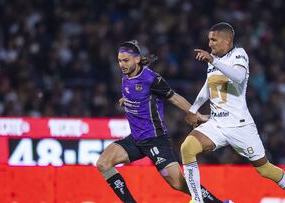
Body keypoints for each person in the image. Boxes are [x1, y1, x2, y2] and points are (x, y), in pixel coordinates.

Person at [180, 22, 285, 203]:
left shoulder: (239, 55)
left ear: (227, 41)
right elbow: (209, 85)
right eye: (209, 40)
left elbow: (239, 77)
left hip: (239, 125)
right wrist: (193, 109)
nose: (210, 44)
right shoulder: (214, 60)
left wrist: (213, 60)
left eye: (214, 40)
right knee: (187, 148)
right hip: (217, 123)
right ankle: (197, 200)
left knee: (264, 169)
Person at [96, 40, 231, 203]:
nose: (122, 65)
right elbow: (138, 94)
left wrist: (197, 113)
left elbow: (174, 97)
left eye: (126, 60)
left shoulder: (152, 79)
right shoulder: (126, 76)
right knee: (103, 163)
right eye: (119, 60)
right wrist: (126, 99)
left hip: (156, 140)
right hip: (136, 139)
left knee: (179, 184)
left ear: (137, 59)